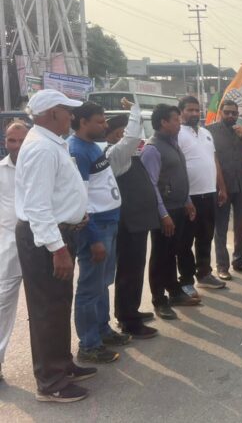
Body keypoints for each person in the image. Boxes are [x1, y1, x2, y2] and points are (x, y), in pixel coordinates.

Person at [15, 89, 95, 402]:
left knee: (59, 303)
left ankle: (61, 364)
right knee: (47, 308)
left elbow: (57, 192)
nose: (71, 116)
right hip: (45, 240)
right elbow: (37, 205)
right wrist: (57, 249)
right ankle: (50, 382)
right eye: (67, 110)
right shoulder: (41, 148)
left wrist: (75, 212)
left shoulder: (52, 143)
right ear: (52, 113)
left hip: (58, 234)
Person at [68, 102, 128, 364]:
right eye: (100, 121)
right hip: (96, 228)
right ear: (83, 122)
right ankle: (89, 344)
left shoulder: (93, 146)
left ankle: (103, 331)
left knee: (102, 283)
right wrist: (93, 238)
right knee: (89, 288)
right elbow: (79, 199)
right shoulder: (77, 151)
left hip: (109, 222)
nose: (105, 126)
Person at [104, 99, 159, 338]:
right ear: (118, 135)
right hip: (128, 223)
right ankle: (128, 320)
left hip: (138, 222)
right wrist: (135, 110)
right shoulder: (115, 155)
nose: (133, 138)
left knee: (135, 269)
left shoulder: (129, 155)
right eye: (123, 132)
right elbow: (132, 137)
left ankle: (130, 310)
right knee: (128, 271)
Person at [141, 104, 200, 321]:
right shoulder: (152, 149)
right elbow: (151, 185)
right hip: (165, 212)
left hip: (179, 207)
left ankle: (174, 291)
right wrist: (163, 214)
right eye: (175, 119)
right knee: (160, 256)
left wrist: (187, 200)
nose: (179, 123)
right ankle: (159, 300)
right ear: (163, 122)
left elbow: (178, 175)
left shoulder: (173, 143)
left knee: (173, 252)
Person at [177, 96, 227, 297]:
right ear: (181, 112)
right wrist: (184, 197)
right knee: (185, 241)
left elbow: (214, 160)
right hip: (189, 197)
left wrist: (221, 187)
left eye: (197, 110)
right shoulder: (177, 133)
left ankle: (204, 274)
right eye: (190, 110)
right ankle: (186, 280)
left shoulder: (206, 133)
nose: (195, 113)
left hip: (209, 193)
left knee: (205, 237)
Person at [208, 100, 242, 280]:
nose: (231, 115)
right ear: (220, 113)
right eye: (227, 112)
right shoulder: (210, 131)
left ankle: (239, 261)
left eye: (234, 113)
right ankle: (222, 266)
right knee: (221, 227)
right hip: (221, 187)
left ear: (238, 114)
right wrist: (219, 186)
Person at [0, 123, 28, 382]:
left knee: (45, 308)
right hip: (8, 251)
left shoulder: (40, 167)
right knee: (2, 307)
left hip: (40, 248)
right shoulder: (0, 171)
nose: (17, 146)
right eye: (12, 140)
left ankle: (54, 364)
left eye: (21, 140)